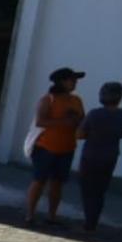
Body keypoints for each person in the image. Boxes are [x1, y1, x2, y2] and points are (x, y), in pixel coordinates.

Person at [27, 67, 84, 226]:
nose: (75, 83)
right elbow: (40, 121)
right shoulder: (48, 99)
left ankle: (52, 216)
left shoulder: (76, 101)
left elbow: (81, 120)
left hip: (67, 147)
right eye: (71, 80)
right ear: (61, 82)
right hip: (45, 147)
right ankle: (30, 214)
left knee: (58, 183)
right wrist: (64, 122)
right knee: (39, 181)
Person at [77, 81, 122, 231]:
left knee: (88, 190)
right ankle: (93, 220)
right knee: (100, 191)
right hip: (110, 156)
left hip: (91, 155)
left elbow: (79, 134)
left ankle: (88, 222)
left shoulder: (95, 113)